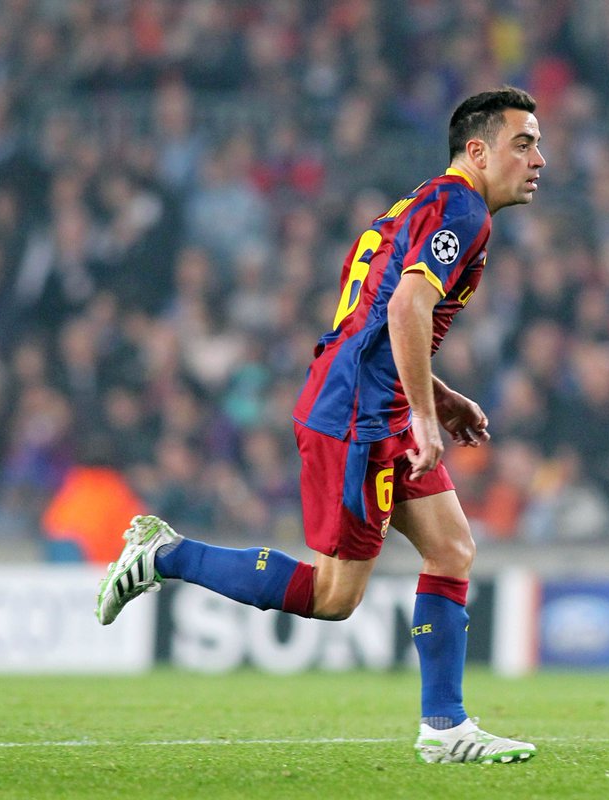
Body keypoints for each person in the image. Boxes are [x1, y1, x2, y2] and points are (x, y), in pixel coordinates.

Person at [95, 87, 544, 765]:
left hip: (376, 401)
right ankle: (165, 554)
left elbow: (372, 318)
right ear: (477, 152)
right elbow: (406, 309)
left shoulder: (420, 204)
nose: (538, 159)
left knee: (452, 548)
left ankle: (445, 727)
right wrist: (426, 418)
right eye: (523, 144)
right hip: (359, 416)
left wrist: (438, 397)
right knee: (334, 597)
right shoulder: (463, 210)